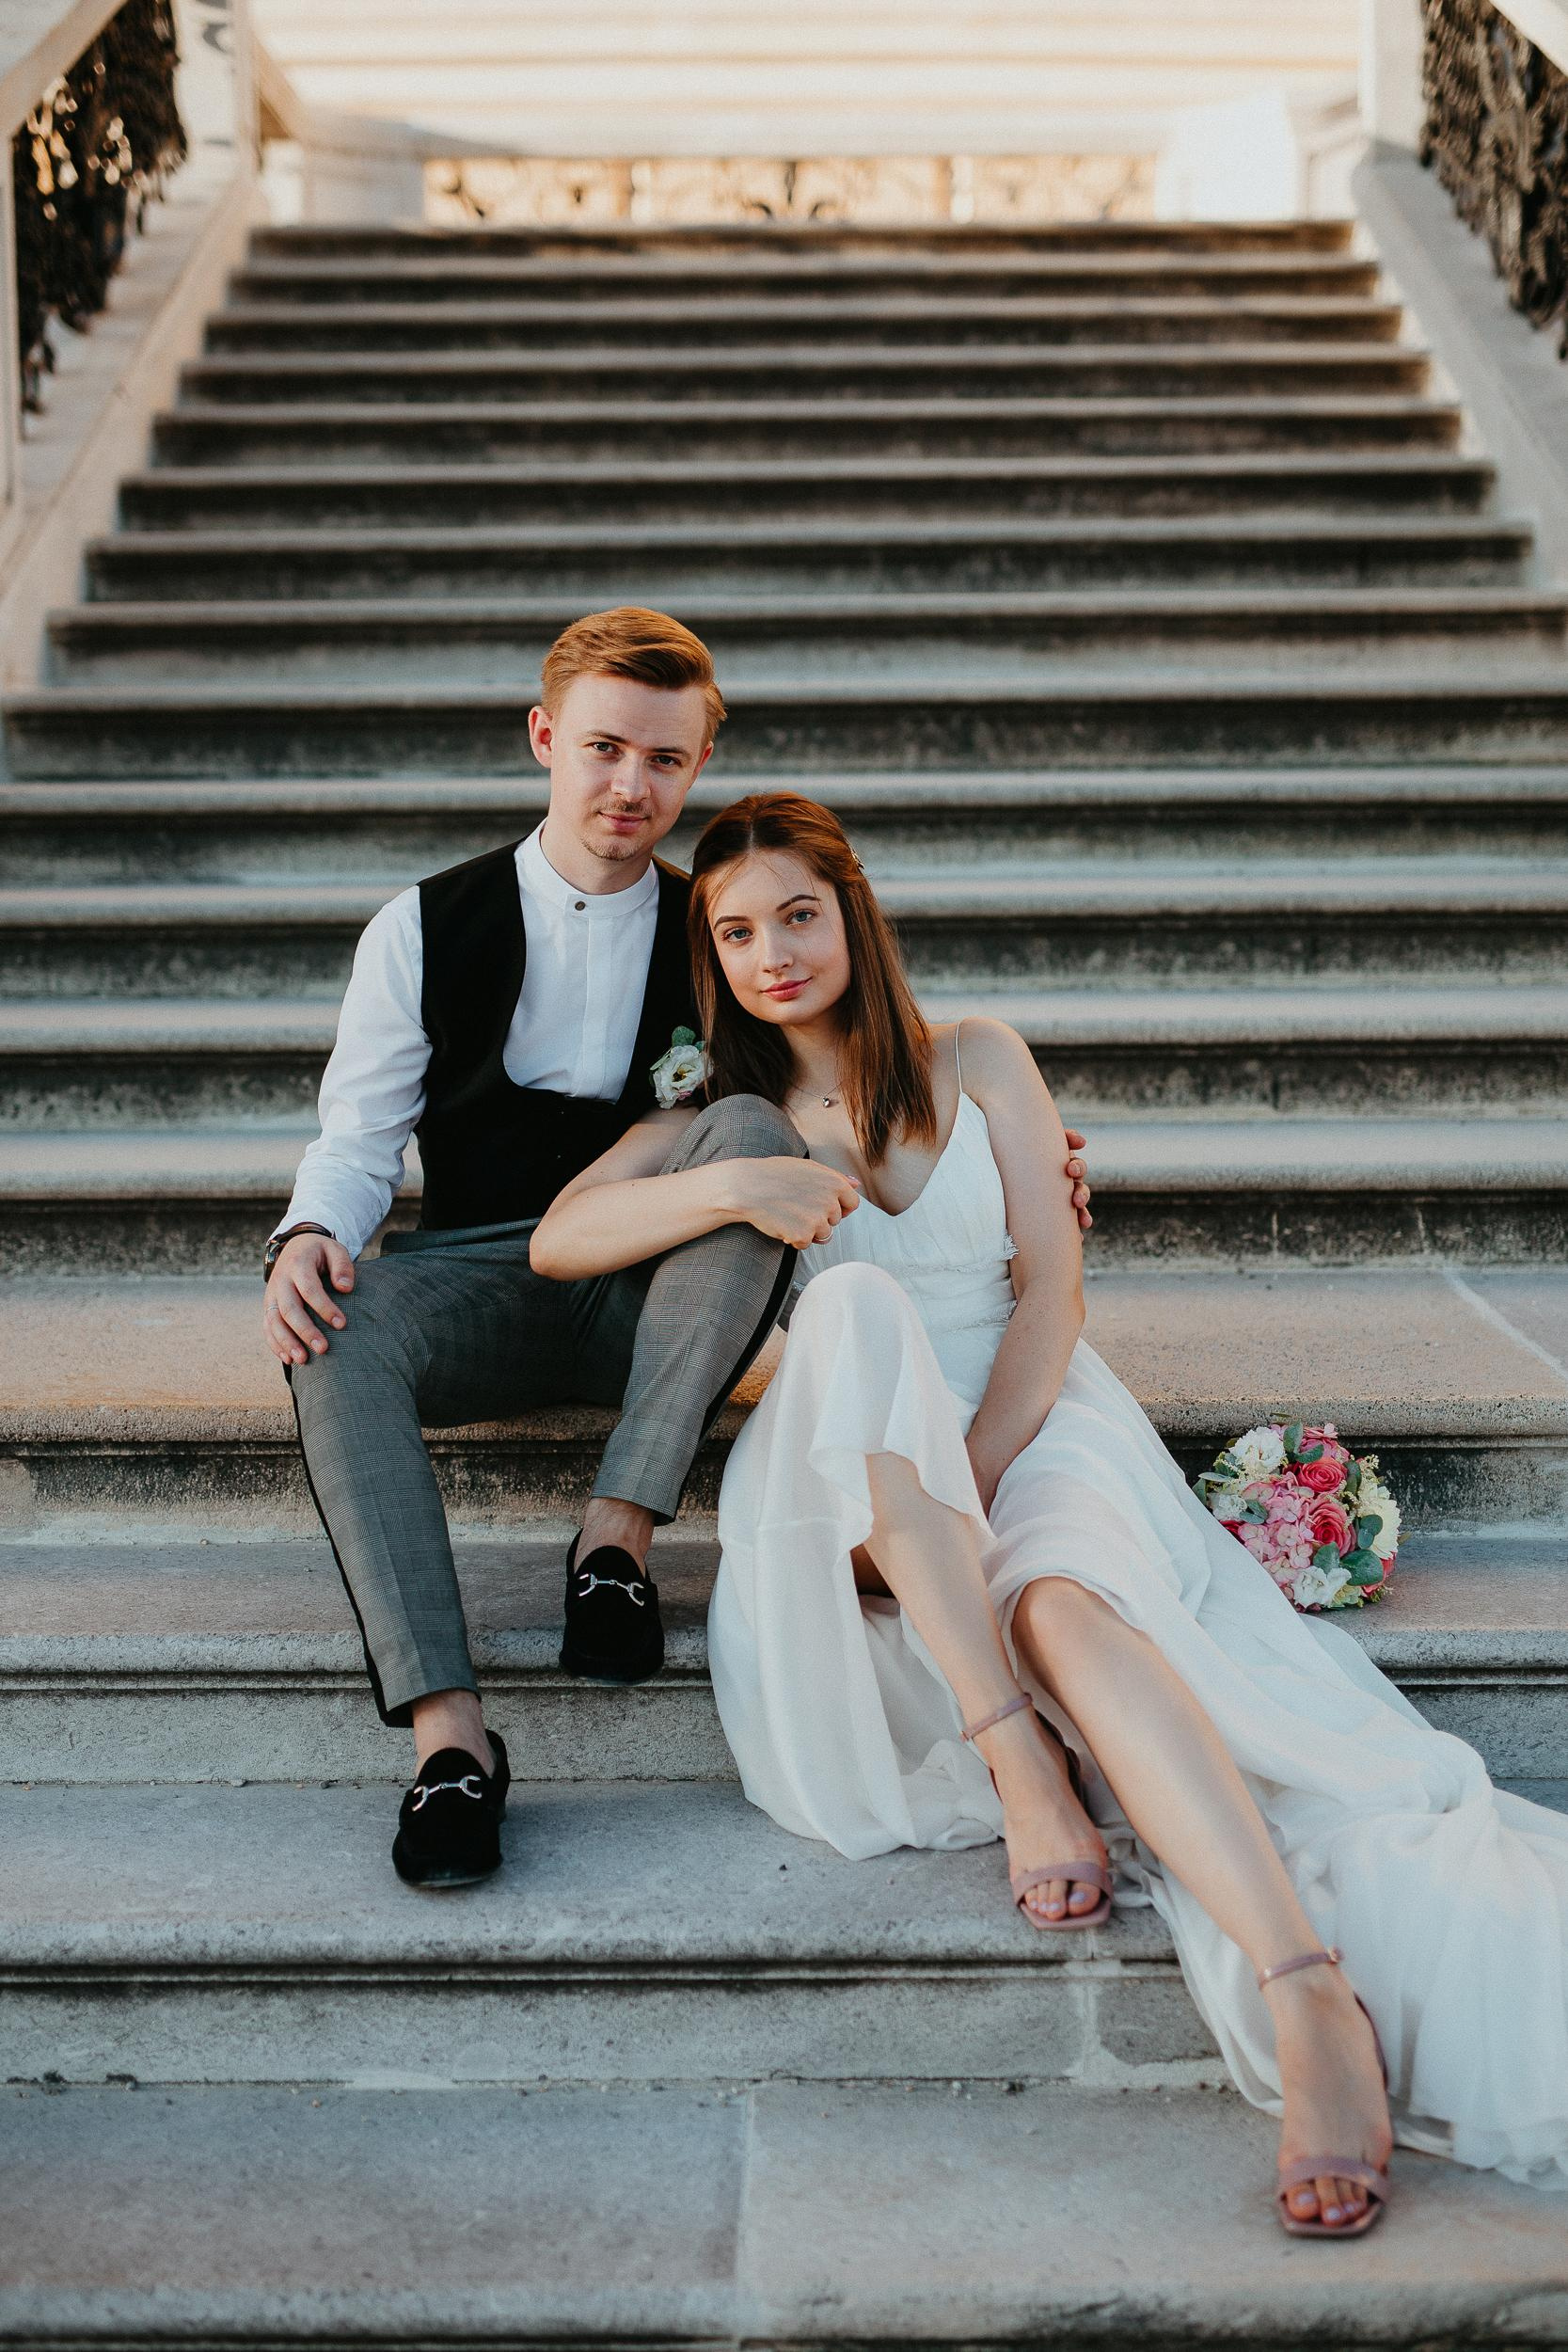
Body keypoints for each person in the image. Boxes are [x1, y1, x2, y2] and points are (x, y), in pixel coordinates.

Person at [531, 790, 1568, 2236]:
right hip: (851, 1474)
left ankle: (1303, 1983)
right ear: (711, 955)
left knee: (1063, 1601)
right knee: (860, 1315)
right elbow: (557, 1237)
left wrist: (989, 1471)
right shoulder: (713, 1121)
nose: (773, 951)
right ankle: (1017, 1761)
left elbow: (1053, 1292)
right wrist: (750, 1181)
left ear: (854, 912)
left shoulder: (982, 1058)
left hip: (1031, 1417)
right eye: (737, 929)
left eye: (799, 914)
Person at [261, 603, 1097, 1890]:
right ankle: (450, 1739)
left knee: (748, 1128)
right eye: (603, 749)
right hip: (497, 1267)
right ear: (546, 738)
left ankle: (618, 1543)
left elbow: (846, 1071)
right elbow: (358, 1136)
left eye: (664, 759)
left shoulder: (723, 924)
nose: (629, 786)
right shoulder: (422, 930)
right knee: (333, 1331)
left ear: (698, 762)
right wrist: (314, 1231)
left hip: (699, 1301)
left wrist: (1016, 1158)